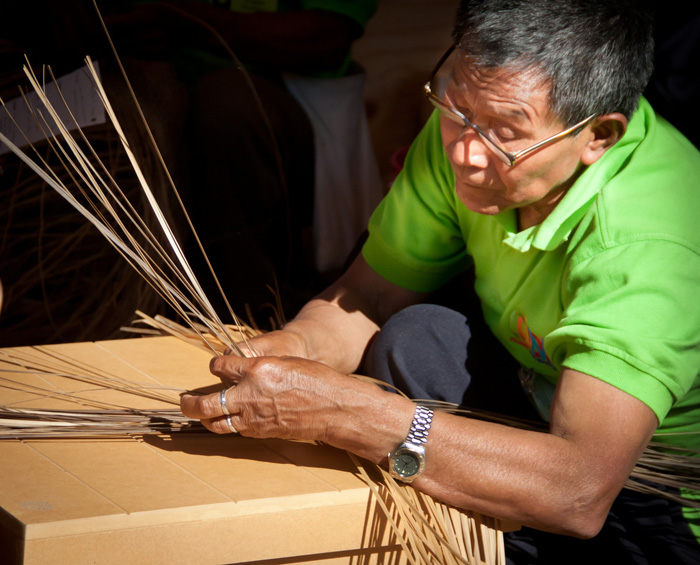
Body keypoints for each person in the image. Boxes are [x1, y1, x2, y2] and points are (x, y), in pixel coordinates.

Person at [181, 0, 700, 561]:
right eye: (456, 107)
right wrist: (292, 349)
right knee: (416, 338)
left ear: (597, 136)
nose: (464, 151)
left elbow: (578, 491)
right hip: (537, 395)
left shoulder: (648, 242)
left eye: (505, 131)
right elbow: (370, 294)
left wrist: (347, 414)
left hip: (646, 496)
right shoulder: (471, 129)